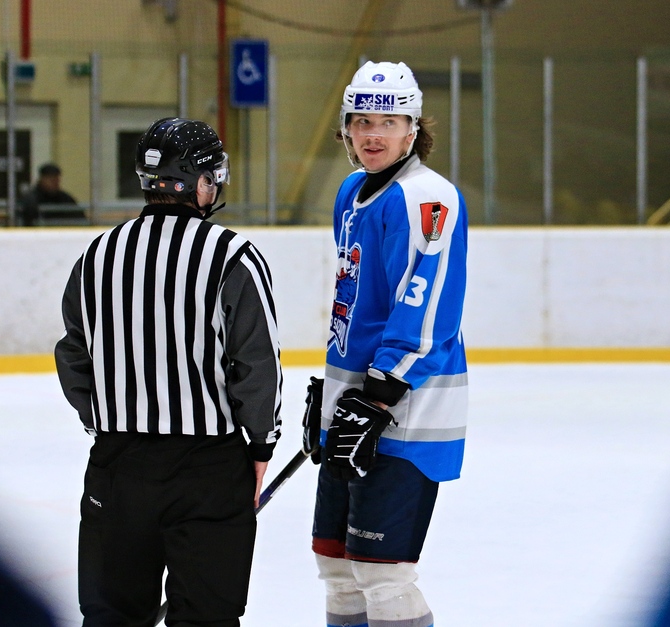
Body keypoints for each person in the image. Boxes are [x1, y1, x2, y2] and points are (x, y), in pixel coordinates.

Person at [54, 117, 282, 627]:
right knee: (206, 617)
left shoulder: (97, 256)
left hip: (118, 463)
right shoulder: (233, 255)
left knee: (113, 616)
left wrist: (106, 422)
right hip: (208, 468)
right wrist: (260, 444)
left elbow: (73, 355)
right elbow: (256, 364)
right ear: (198, 182)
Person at [301, 60, 469, 627]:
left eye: (389, 122)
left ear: (413, 129)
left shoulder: (428, 197)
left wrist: (377, 395)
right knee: (336, 566)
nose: (373, 135)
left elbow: (428, 307)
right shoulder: (351, 192)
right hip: (355, 404)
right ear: (346, 129)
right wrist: (335, 401)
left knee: (382, 574)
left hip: (407, 406)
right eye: (362, 122)